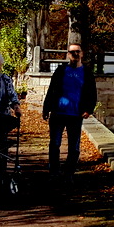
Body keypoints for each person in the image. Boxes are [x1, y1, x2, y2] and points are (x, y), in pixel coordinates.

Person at [42, 42, 97, 181]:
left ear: (81, 53)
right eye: (72, 52)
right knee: (54, 144)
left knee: (74, 147)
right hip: (58, 113)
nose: (75, 54)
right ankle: (54, 171)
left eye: (77, 51)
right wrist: (46, 108)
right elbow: (51, 89)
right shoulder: (61, 70)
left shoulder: (87, 72)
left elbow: (92, 93)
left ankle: (69, 173)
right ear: (68, 55)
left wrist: (89, 109)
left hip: (75, 114)